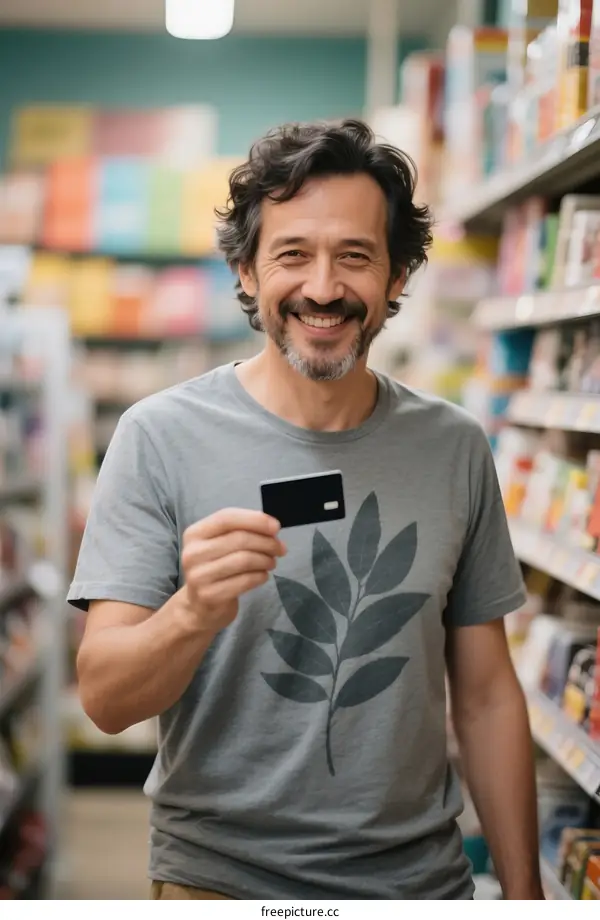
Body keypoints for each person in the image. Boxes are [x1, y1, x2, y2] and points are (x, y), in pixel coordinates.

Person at [69, 119, 544, 901]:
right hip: (220, 885)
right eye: (292, 254)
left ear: (398, 277)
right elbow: (106, 701)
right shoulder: (158, 438)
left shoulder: (454, 446)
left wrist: (526, 899)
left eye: (355, 256)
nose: (323, 288)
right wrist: (191, 612)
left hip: (420, 886)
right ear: (245, 270)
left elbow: (488, 695)